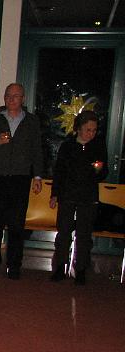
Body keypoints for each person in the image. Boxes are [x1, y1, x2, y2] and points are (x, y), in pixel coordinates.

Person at [0, 82, 43, 280]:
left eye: (15, 96)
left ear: (23, 99)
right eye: (8, 96)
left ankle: (14, 266)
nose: (11, 99)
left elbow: (37, 151)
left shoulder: (32, 122)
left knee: (17, 225)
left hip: (20, 179)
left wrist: (38, 176)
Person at [49, 110, 108, 286]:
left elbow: (103, 173)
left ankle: (81, 269)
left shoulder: (98, 146)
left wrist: (97, 170)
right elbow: (59, 172)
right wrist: (55, 194)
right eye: (88, 129)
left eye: (94, 130)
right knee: (64, 232)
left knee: (84, 234)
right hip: (68, 194)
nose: (91, 133)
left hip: (87, 196)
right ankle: (60, 267)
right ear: (79, 129)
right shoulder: (68, 146)